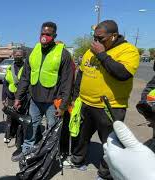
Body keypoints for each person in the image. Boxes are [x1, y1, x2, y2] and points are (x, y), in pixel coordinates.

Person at [66, 20, 140, 180]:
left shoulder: (128, 50)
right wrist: (75, 97)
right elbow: (81, 74)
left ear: (113, 36)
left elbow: (123, 74)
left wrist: (101, 54)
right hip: (85, 102)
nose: (96, 42)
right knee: (80, 136)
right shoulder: (90, 50)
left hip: (110, 106)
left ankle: (105, 174)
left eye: (101, 38)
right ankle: (78, 161)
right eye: (95, 38)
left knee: (110, 144)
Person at [12, 21, 74, 161]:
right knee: (31, 126)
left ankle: (51, 156)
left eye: (48, 34)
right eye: (42, 34)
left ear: (54, 35)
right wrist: (18, 98)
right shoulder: (33, 52)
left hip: (53, 102)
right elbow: (25, 78)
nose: (44, 37)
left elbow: (67, 82)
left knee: (52, 130)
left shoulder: (63, 54)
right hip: (35, 100)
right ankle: (27, 151)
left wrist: (63, 105)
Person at [2, 49, 25, 143]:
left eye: (20, 55)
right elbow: (5, 84)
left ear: (23, 56)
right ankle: (9, 134)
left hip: (23, 97)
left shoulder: (27, 67)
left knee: (21, 117)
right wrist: (4, 97)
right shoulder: (9, 68)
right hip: (11, 96)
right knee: (10, 117)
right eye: (16, 55)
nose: (18, 56)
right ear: (13, 56)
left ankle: (21, 136)